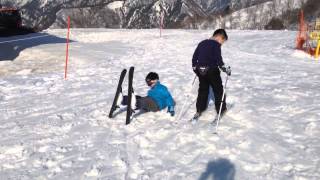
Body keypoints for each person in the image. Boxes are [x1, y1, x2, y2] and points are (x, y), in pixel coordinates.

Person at [192, 29, 231, 120]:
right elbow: (218, 60)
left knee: (203, 90)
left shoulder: (202, 43)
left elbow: (195, 56)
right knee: (218, 90)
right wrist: (225, 69)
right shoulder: (216, 45)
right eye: (223, 41)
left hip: (201, 70)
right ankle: (222, 109)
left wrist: (195, 67)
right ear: (218, 37)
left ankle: (199, 109)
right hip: (212, 70)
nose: (222, 43)